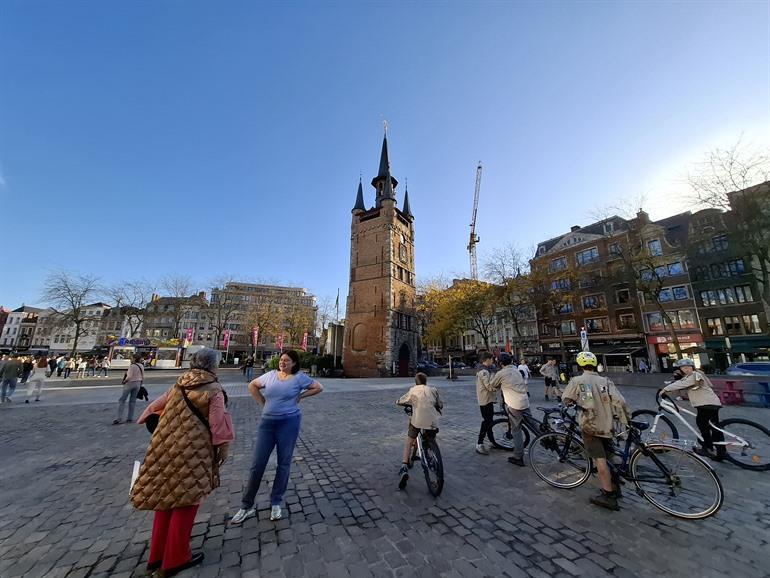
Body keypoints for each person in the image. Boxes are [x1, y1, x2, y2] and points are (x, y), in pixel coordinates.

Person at [132, 347, 234, 577]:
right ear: (212, 365)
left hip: (165, 446)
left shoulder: (180, 383)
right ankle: (175, 558)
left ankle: (156, 556)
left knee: (166, 499)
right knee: (187, 498)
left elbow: (155, 406)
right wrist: (223, 447)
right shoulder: (213, 388)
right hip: (194, 450)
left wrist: (146, 421)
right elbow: (218, 423)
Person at [231, 350, 323, 525]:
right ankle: (246, 505)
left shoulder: (299, 378)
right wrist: (263, 403)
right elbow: (252, 385)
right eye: (281, 360)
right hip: (268, 423)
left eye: (286, 360)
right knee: (257, 465)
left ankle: (276, 502)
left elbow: (318, 387)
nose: (282, 363)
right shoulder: (271, 375)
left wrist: (300, 396)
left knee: (284, 463)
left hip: (289, 423)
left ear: (294, 363)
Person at [561, 351, 630, 511]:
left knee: (599, 459)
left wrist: (570, 401)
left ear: (580, 365)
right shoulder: (604, 380)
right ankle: (615, 486)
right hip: (607, 425)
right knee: (610, 454)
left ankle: (608, 494)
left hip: (591, 425)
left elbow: (571, 399)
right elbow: (620, 401)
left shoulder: (579, 380)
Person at [662, 358, 725, 460]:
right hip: (712, 403)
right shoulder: (694, 375)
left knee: (701, 423)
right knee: (715, 428)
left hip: (706, 404)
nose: (686, 369)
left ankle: (707, 448)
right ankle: (721, 453)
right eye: (683, 368)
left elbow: (682, 384)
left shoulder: (695, 375)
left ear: (692, 367)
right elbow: (683, 383)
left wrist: (665, 389)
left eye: (688, 367)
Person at [395, 372, 443, 489]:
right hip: (432, 421)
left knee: (409, 439)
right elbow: (440, 404)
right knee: (431, 437)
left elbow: (402, 400)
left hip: (417, 419)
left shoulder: (413, 390)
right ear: (426, 382)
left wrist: (398, 402)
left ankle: (404, 466)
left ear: (415, 382)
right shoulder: (433, 390)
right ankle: (431, 453)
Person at [490, 353, 529, 467]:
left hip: (514, 404)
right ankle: (547, 439)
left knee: (516, 430)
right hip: (525, 401)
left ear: (500, 363)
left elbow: (493, 386)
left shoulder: (501, 373)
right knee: (533, 424)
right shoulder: (516, 370)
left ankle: (518, 456)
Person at [475, 352, 498, 455]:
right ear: (486, 360)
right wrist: (497, 384)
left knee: (489, 421)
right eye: (491, 359)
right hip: (485, 400)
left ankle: (492, 440)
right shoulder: (484, 372)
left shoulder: (485, 370)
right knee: (487, 421)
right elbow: (488, 386)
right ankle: (479, 443)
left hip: (487, 399)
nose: (492, 361)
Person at [114, 354, 144, 424]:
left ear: (134, 359)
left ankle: (119, 418)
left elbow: (129, 377)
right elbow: (143, 376)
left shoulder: (132, 366)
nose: (131, 359)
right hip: (138, 383)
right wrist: (141, 384)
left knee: (122, 400)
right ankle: (130, 417)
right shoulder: (141, 366)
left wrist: (124, 381)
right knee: (132, 401)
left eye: (131, 358)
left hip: (130, 383)